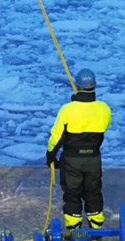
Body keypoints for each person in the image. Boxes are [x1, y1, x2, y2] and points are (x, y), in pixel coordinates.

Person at [45, 69, 112, 231]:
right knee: (93, 191)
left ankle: (75, 229)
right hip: (93, 158)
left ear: (77, 85)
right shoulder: (104, 108)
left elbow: (56, 137)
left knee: (72, 192)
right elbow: (105, 124)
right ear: (94, 85)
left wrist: (51, 157)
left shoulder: (68, 110)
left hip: (72, 160)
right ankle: (96, 227)